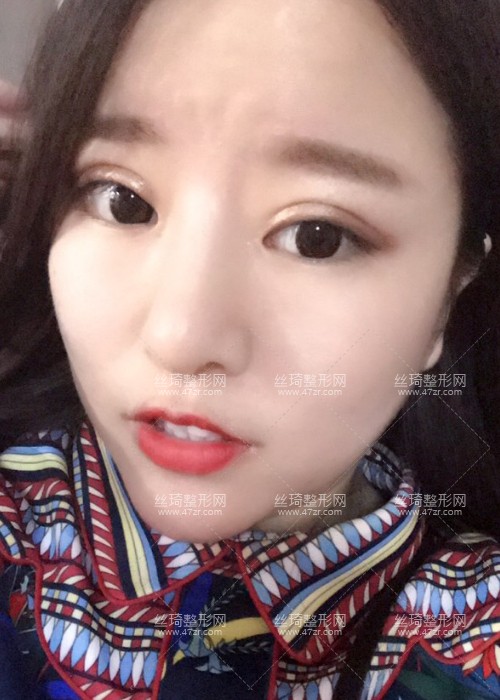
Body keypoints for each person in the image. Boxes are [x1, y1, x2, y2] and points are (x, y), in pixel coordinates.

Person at [0, 0, 499, 697]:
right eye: (121, 200)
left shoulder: (467, 632)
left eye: (318, 237)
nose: (182, 339)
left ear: (451, 289)